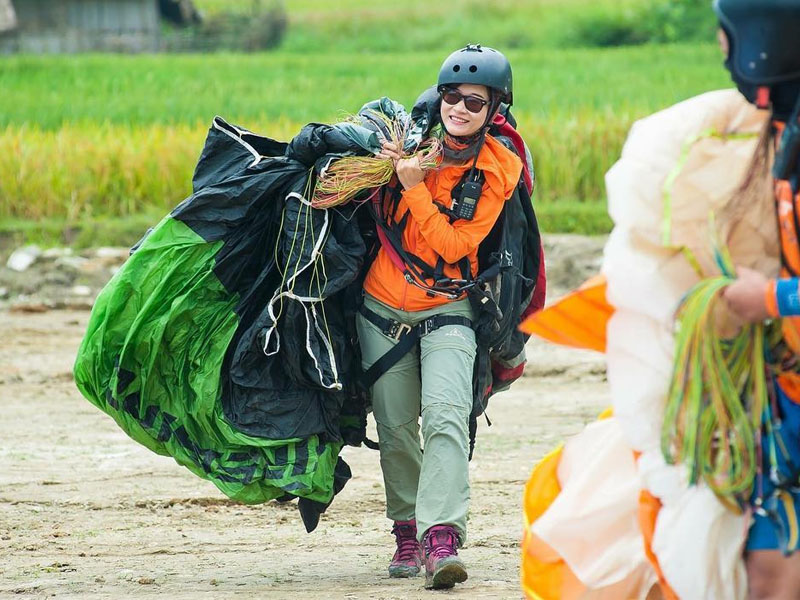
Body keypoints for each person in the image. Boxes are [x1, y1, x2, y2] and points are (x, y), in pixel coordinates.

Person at [520, 1, 800, 599]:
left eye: (728, 39)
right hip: (783, 401)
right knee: (766, 563)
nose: (723, 55)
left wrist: (771, 298)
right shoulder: (780, 137)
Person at [357, 44, 522, 589]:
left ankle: (441, 536)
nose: (460, 108)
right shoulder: (409, 144)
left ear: (494, 108)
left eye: (474, 101)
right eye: (452, 96)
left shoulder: (500, 169)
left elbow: (453, 245)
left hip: (450, 305)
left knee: (448, 414)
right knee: (397, 426)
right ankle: (407, 527)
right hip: (380, 307)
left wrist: (413, 188)